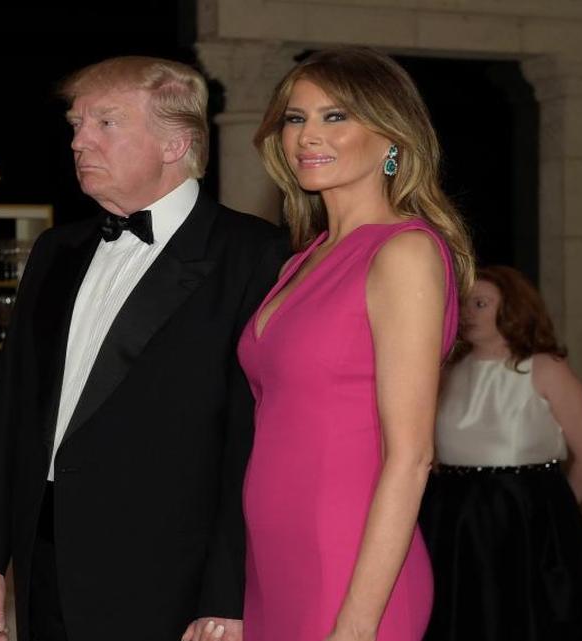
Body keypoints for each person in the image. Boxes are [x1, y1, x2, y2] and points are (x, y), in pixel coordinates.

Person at [0, 55, 288, 641]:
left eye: (105, 123)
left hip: (170, 576)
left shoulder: (254, 254)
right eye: (76, 124)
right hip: (44, 560)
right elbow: (11, 410)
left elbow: (252, 439)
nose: (79, 141)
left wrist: (227, 595)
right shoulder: (56, 250)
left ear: (175, 143)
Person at [237, 46, 474, 641]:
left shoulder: (404, 252)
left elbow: (411, 456)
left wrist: (358, 624)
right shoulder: (302, 262)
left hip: (350, 566)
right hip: (275, 562)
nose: (307, 136)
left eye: (335, 116)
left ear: (392, 136)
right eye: (296, 118)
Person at [419, 265, 582, 641]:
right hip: (456, 522)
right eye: (464, 303)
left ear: (512, 308)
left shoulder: (546, 369)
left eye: (480, 303)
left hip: (524, 522)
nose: (468, 312)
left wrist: (553, 516)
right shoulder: (447, 372)